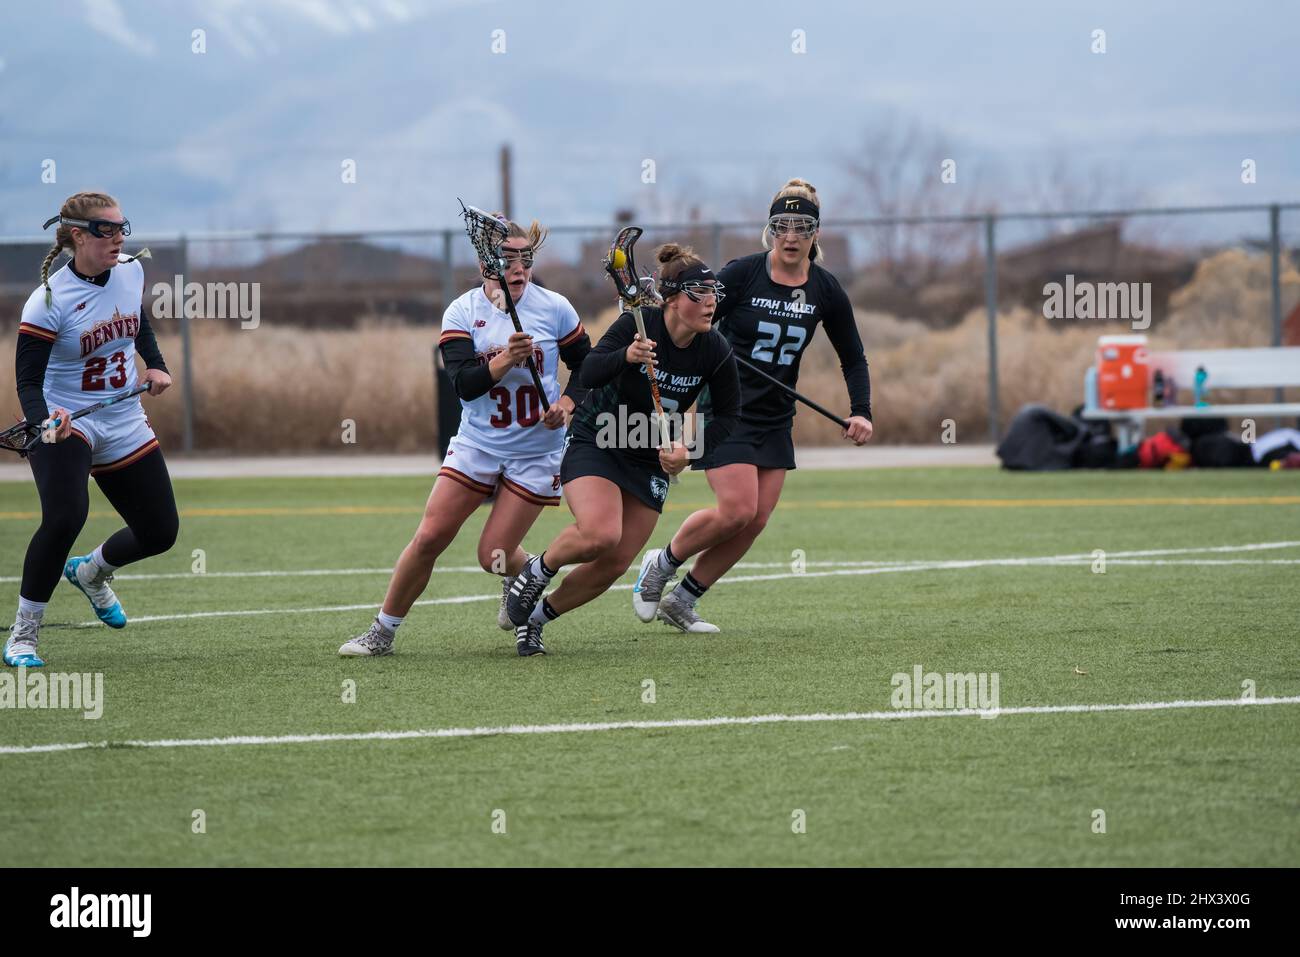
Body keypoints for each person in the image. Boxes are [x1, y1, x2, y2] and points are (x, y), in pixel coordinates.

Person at [339, 213, 590, 657]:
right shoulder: (462, 311)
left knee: (491, 552)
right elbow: (462, 384)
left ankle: (521, 578)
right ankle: (382, 631)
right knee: (431, 536)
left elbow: (588, 367)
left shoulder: (554, 308)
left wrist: (566, 405)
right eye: (507, 259)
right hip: (478, 443)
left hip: (536, 451)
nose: (518, 268)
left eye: (525, 258)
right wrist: (504, 361)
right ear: (484, 266)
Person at [632, 178, 873, 634]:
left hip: (776, 416)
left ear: (815, 233)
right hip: (725, 408)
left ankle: (683, 600)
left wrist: (862, 409)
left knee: (755, 520)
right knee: (738, 508)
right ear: (770, 229)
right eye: (782, 224)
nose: (791, 235)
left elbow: (853, 355)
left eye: (802, 226)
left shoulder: (826, 289)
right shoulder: (743, 274)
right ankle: (660, 565)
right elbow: (693, 316)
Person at [502, 243, 740, 655]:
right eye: (698, 294)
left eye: (713, 294)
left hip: (648, 457)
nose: (709, 303)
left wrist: (689, 454)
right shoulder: (639, 324)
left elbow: (729, 415)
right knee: (600, 534)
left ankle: (536, 621)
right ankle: (537, 571)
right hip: (599, 439)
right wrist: (627, 356)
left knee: (613, 563)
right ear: (671, 299)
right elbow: (589, 370)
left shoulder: (714, 349)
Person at [5, 191, 177, 668]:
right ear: (77, 235)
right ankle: (23, 636)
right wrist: (46, 422)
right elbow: (27, 379)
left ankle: (90, 572)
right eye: (107, 230)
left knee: (160, 532)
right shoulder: (47, 301)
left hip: (122, 418)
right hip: (67, 420)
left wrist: (156, 364)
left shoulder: (130, 270)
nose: (118, 237)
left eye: (123, 227)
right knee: (64, 518)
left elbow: (136, 319)